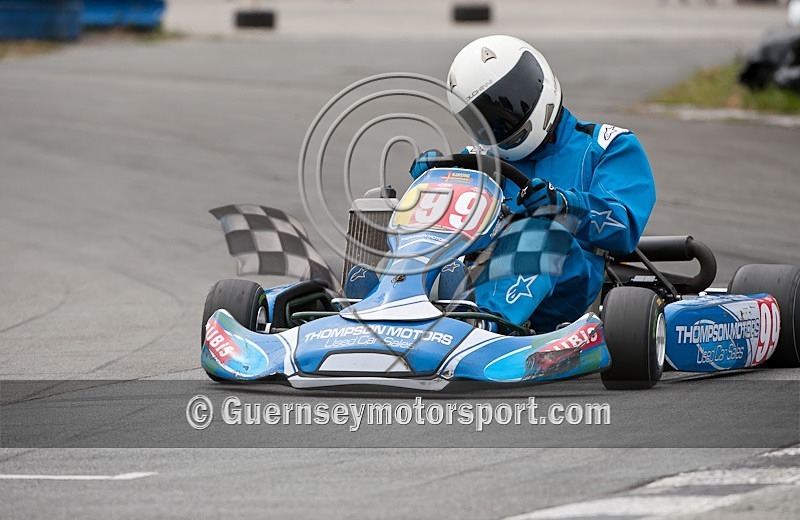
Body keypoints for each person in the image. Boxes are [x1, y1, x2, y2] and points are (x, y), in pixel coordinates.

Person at [410, 35, 656, 332]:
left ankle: (483, 325)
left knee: (536, 231)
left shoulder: (607, 146)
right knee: (388, 214)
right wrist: (432, 183)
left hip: (568, 285)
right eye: (486, 117)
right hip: (476, 271)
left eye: (508, 105)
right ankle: (377, 311)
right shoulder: (475, 160)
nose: (501, 121)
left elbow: (623, 227)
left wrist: (566, 205)